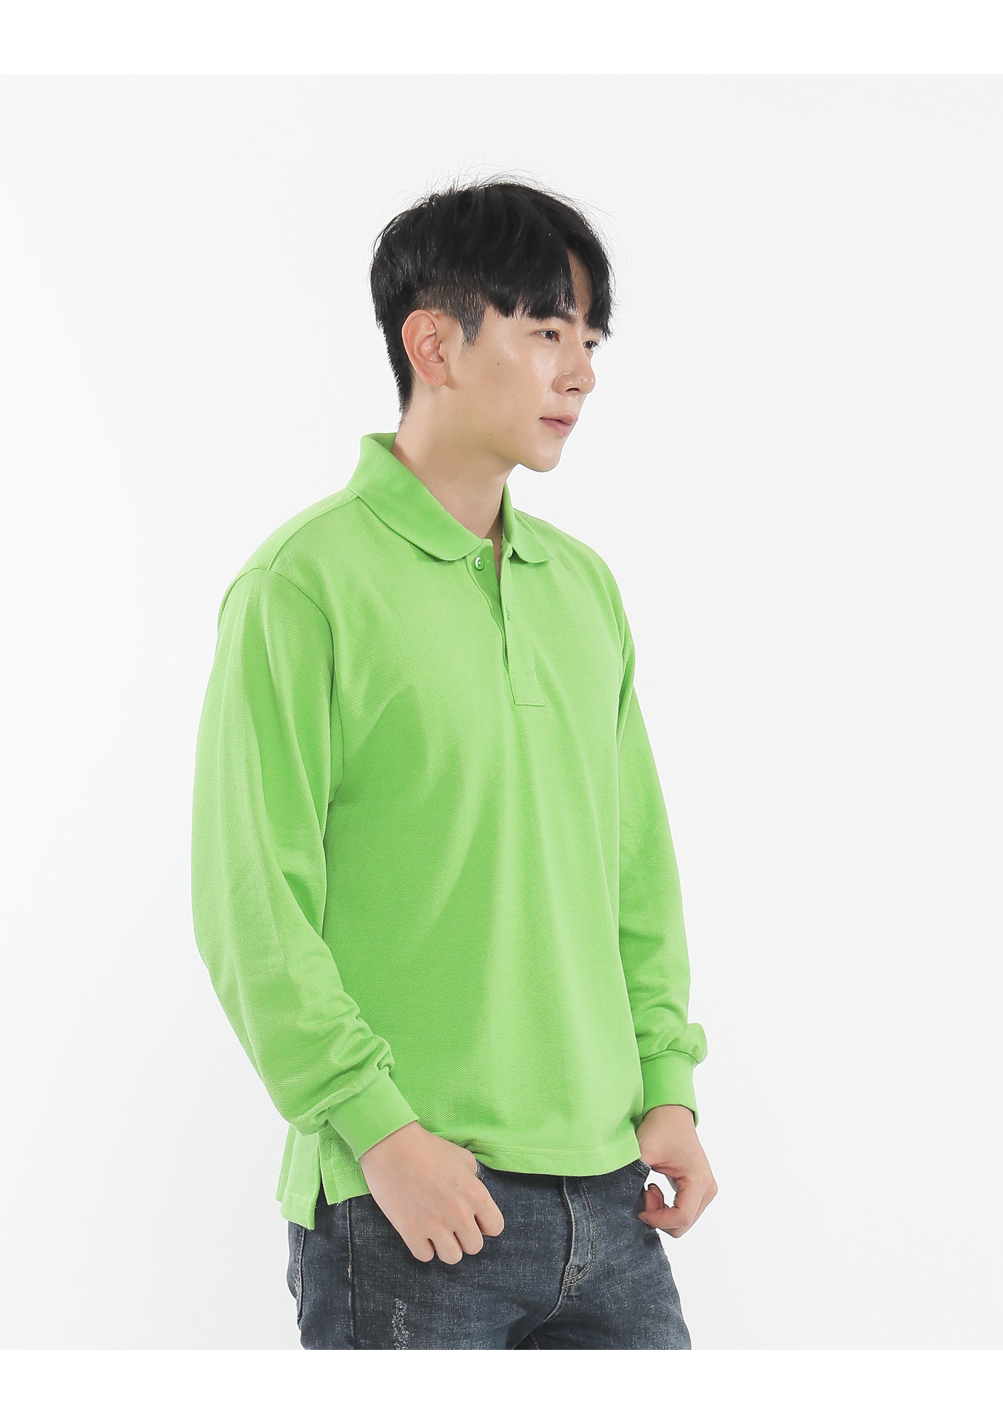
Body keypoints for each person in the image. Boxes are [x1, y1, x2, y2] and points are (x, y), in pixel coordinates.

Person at [190, 176, 717, 1350]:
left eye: (589, 341)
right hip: (414, 1210)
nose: (579, 373)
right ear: (432, 344)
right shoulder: (302, 587)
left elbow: (633, 871)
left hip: (612, 1200)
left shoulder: (581, 589)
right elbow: (251, 903)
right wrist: (378, 1132)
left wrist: (666, 1086)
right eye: (546, 334)